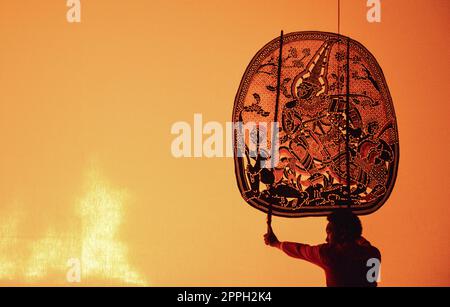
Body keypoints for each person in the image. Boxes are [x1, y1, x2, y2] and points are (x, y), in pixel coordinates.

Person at [264, 209, 381, 287]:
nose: (326, 239)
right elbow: (373, 282)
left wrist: (276, 243)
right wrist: (352, 230)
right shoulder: (374, 254)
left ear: (342, 234)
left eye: (329, 232)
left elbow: (299, 250)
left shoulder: (328, 254)